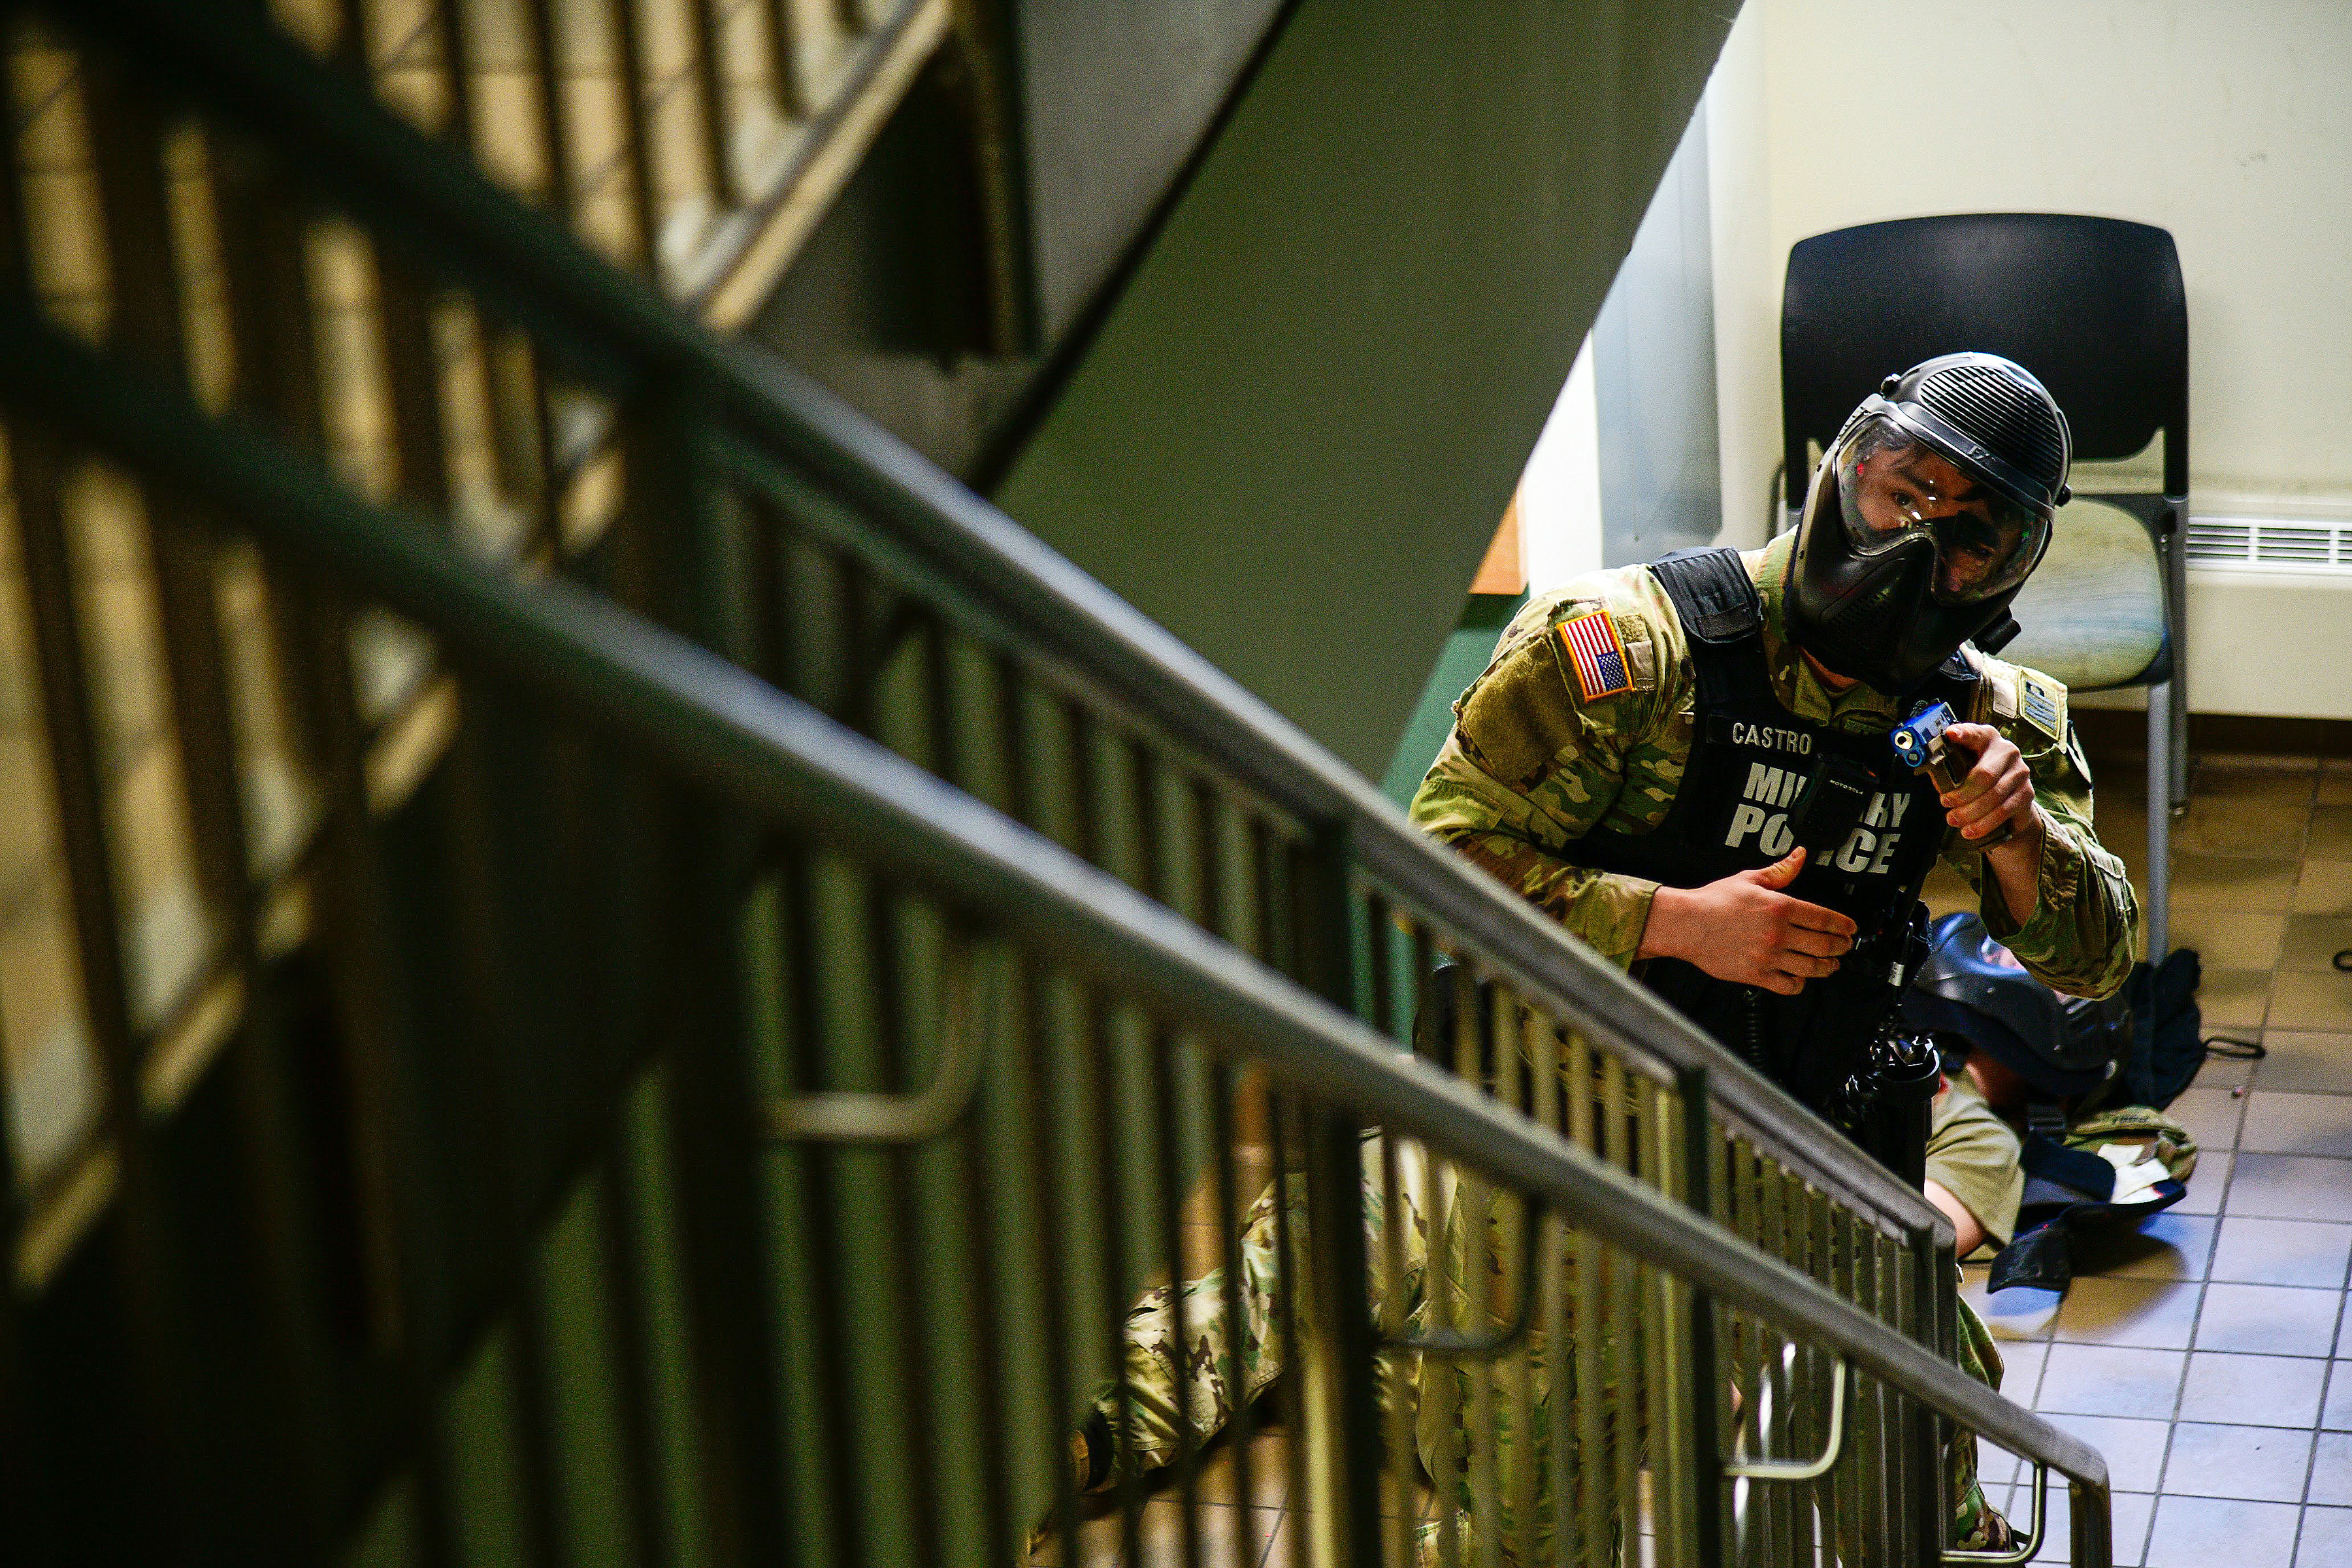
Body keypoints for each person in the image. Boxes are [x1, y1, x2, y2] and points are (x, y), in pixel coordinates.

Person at [1075, 355, 2135, 1559]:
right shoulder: (1628, 651)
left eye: (1969, 537)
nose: (1915, 544)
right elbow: (1430, 870)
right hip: (1585, 1166)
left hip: (1819, 1158)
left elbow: (2097, 959)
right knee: (1532, 1524)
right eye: (1904, 492)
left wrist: (2013, 833)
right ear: (1844, 467)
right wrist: (1676, 922)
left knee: (1907, 1497)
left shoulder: (1994, 725)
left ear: (2009, 571)